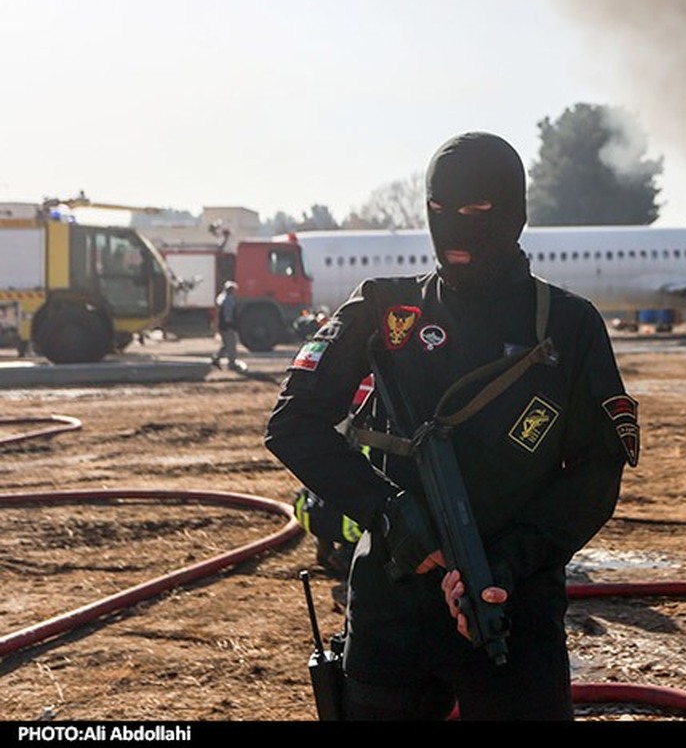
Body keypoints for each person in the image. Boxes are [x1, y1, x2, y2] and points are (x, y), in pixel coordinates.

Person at [264, 131, 637, 721]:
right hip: (392, 611)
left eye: (476, 212)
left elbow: (597, 472)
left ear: (513, 213)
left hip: (510, 614)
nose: (454, 229)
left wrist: (507, 566)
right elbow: (292, 422)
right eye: (438, 211)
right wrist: (389, 513)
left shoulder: (567, 326)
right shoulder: (387, 310)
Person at [212, 280, 244, 371]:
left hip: (222, 326)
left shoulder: (221, 297)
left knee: (226, 345)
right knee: (231, 345)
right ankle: (232, 363)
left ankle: (216, 358)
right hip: (227, 326)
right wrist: (231, 325)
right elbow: (228, 315)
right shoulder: (228, 300)